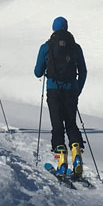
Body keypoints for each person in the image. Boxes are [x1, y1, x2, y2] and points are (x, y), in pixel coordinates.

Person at [34, 15, 87, 175]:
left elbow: (37, 72)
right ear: (67, 28)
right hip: (71, 89)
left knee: (57, 125)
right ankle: (76, 153)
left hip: (53, 89)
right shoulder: (76, 47)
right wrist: (77, 89)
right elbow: (83, 71)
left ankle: (62, 160)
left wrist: (46, 69)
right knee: (71, 124)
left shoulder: (46, 47)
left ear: (53, 29)